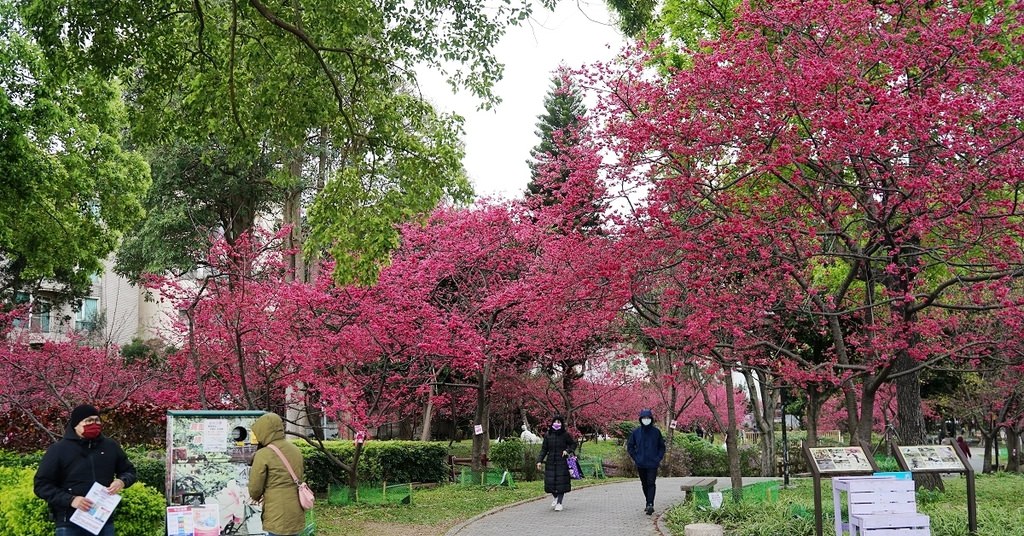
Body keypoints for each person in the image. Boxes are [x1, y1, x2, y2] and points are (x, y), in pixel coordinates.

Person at [34, 404, 137, 536]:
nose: (93, 424)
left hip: (102, 520)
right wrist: (71, 500)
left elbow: (129, 471)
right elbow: (41, 485)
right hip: (70, 522)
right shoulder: (58, 450)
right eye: (88, 421)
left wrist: (122, 481)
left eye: (96, 420)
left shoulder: (110, 446)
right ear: (76, 424)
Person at [248, 412, 306, 536]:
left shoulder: (264, 454)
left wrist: (256, 497)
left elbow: (255, 488)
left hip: (276, 510)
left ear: (263, 431)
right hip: (296, 507)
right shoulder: (295, 450)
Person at [627, 408, 666, 516]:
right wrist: (636, 457)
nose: (646, 420)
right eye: (644, 418)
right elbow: (630, 446)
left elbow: (662, 447)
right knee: (644, 484)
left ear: (651, 419)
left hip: (653, 463)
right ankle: (647, 502)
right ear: (640, 419)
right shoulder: (636, 432)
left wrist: (658, 458)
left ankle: (650, 504)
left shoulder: (656, 432)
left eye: (648, 418)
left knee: (651, 483)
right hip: (641, 463)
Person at [535, 414, 577, 511]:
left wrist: (567, 450)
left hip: (562, 462)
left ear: (561, 424)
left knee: (561, 483)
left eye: (559, 422)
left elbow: (573, 444)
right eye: (555, 421)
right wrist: (539, 461)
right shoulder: (548, 435)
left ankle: (559, 503)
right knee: (550, 483)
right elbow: (544, 449)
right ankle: (555, 496)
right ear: (552, 423)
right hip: (550, 462)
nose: (557, 424)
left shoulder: (565, 435)